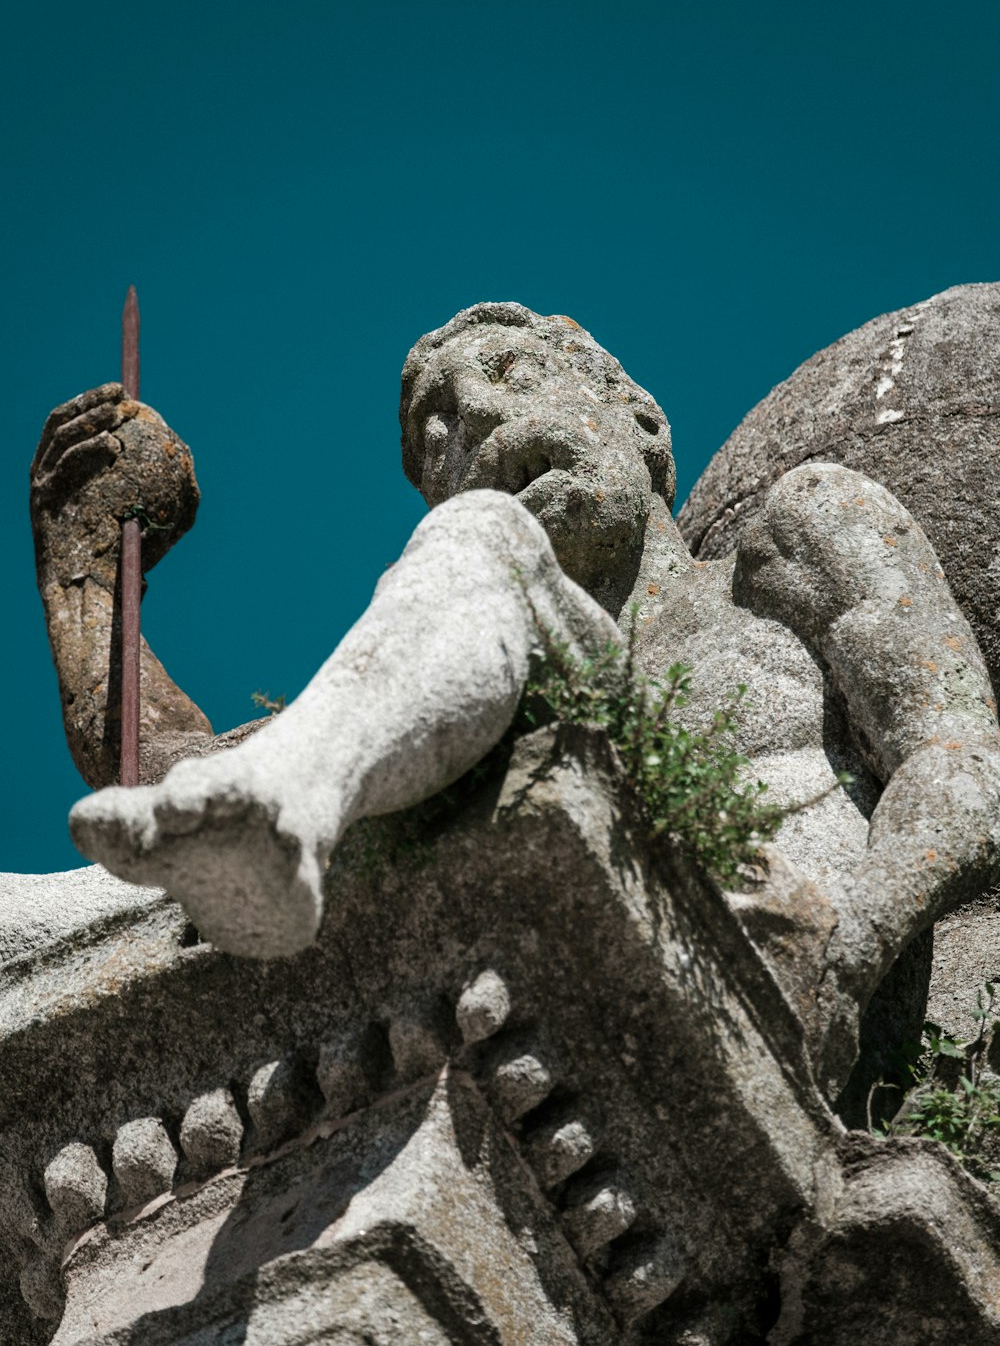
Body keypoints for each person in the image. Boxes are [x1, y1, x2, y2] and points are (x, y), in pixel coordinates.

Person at [34, 302, 1000, 1097]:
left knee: (487, 544)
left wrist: (853, 948)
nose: (477, 423)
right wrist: (85, 578)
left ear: (639, 415)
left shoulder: (795, 538)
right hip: (536, 978)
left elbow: (958, 761)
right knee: (41, 923)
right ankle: (292, 814)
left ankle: (298, 810)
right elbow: (170, 788)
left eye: (510, 372)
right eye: (438, 433)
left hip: (774, 958)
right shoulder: (456, 678)